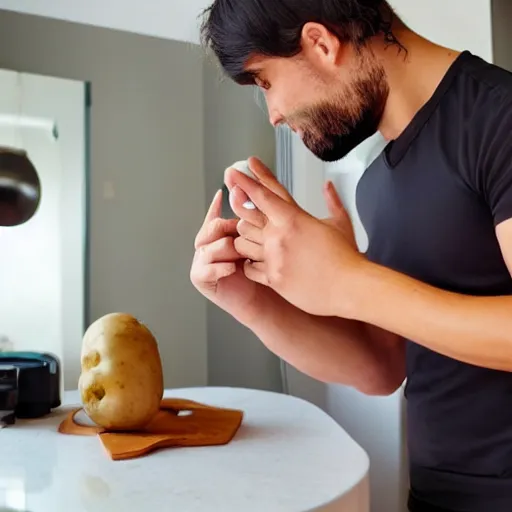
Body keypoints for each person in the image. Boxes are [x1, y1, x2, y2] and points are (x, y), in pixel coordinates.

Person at [190, 1, 512, 511]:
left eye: (265, 81)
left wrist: (347, 279)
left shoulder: (501, 117)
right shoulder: (377, 184)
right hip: (436, 494)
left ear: (321, 42)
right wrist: (251, 301)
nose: (273, 115)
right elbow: (381, 367)